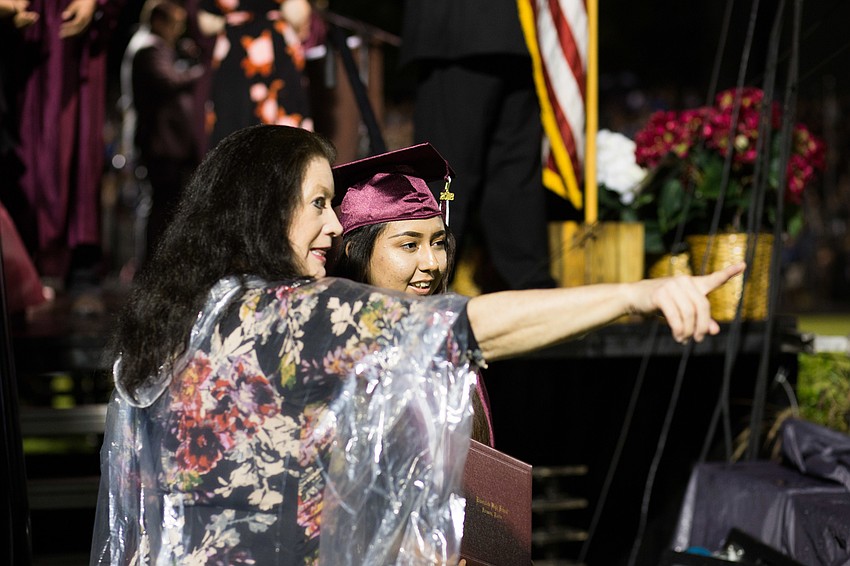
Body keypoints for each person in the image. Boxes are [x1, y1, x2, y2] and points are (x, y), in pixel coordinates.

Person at [90, 124, 743, 565]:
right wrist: (634, 295)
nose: (333, 223)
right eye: (318, 203)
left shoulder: (175, 320)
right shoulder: (300, 314)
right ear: (265, 208)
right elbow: (473, 325)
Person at [330, 142, 495, 446]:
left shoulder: (447, 343)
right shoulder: (331, 349)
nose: (432, 263)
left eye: (438, 243)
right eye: (410, 245)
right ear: (355, 252)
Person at [400, 0, 557, 293]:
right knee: (512, 175)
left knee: (446, 174)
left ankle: (430, 290)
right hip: (517, 30)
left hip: (461, 29)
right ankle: (531, 292)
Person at [0, 0, 124, 289]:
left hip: (71, 37)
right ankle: (24, 260)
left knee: (75, 145)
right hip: (23, 37)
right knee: (22, 150)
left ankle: (78, 259)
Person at [121, 0, 205, 264]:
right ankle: (152, 263)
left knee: (166, 204)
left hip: (167, 143)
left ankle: (159, 261)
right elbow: (169, 81)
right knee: (159, 206)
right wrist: (205, 71)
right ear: (159, 21)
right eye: (175, 25)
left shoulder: (154, 46)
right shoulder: (147, 48)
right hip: (160, 143)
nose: (178, 32)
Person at [196, 0, 314, 150]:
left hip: (235, 46)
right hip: (273, 43)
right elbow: (297, 12)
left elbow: (206, 22)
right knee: (285, 128)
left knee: (234, 125)